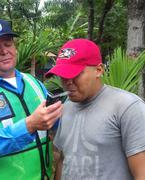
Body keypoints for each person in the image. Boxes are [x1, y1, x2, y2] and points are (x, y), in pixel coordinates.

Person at [0, 16, 63, 180]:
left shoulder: (33, 82)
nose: (4, 51)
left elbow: (56, 122)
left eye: (8, 44)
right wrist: (29, 125)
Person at [45, 38, 145, 180]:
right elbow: (64, 159)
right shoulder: (66, 106)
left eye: (75, 74)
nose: (68, 82)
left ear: (98, 70)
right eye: (63, 76)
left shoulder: (127, 107)